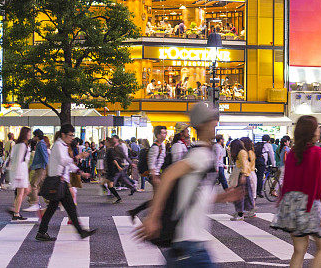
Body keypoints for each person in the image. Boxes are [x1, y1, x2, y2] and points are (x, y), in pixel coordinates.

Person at [135, 103, 243, 266]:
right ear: (202, 124)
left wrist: (222, 197)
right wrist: (153, 217)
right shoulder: (200, 154)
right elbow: (169, 175)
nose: (215, 123)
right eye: (211, 120)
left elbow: (195, 194)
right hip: (191, 246)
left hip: (189, 244)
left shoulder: (201, 152)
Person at [272, 116, 321, 268]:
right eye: (317, 127)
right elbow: (320, 185)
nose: (319, 129)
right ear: (311, 132)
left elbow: (287, 181)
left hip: (290, 203)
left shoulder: (292, 153)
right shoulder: (316, 152)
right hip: (309, 203)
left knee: (299, 250)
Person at [35, 124, 96, 242]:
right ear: (63, 134)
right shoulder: (58, 145)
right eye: (70, 135)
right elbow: (63, 161)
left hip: (61, 182)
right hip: (57, 181)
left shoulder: (63, 145)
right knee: (65, 208)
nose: (72, 137)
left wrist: (80, 172)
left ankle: (42, 232)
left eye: (73, 135)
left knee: (59, 208)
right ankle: (80, 231)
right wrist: (78, 156)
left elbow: (68, 163)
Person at [8, 126, 32, 221]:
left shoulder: (18, 145)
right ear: (25, 134)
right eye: (29, 133)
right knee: (22, 192)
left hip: (20, 170)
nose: (30, 135)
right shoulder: (22, 145)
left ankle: (15, 209)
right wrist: (17, 174)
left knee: (25, 191)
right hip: (21, 171)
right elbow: (19, 160)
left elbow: (12, 158)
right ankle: (16, 212)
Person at [229, 138, 256, 220]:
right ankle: (243, 212)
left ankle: (241, 214)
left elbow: (245, 164)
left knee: (240, 196)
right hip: (242, 175)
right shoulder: (242, 152)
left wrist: (243, 175)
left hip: (242, 175)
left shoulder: (241, 153)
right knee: (243, 195)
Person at [106, 135, 136, 203]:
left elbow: (124, 156)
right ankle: (132, 187)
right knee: (123, 178)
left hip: (119, 165)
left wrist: (130, 163)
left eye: (114, 139)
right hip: (117, 166)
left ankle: (114, 194)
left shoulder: (118, 147)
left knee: (115, 180)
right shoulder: (114, 148)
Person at [26, 129, 49, 212]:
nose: (33, 137)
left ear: (37, 136)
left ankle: (34, 203)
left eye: (34, 136)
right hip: (40, 167)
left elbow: (44, 156)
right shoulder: (41, 143)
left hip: (40, 168)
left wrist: (47, 166)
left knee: (33, 184)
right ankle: (51, 202)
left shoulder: (41, 144)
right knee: (42, 186)